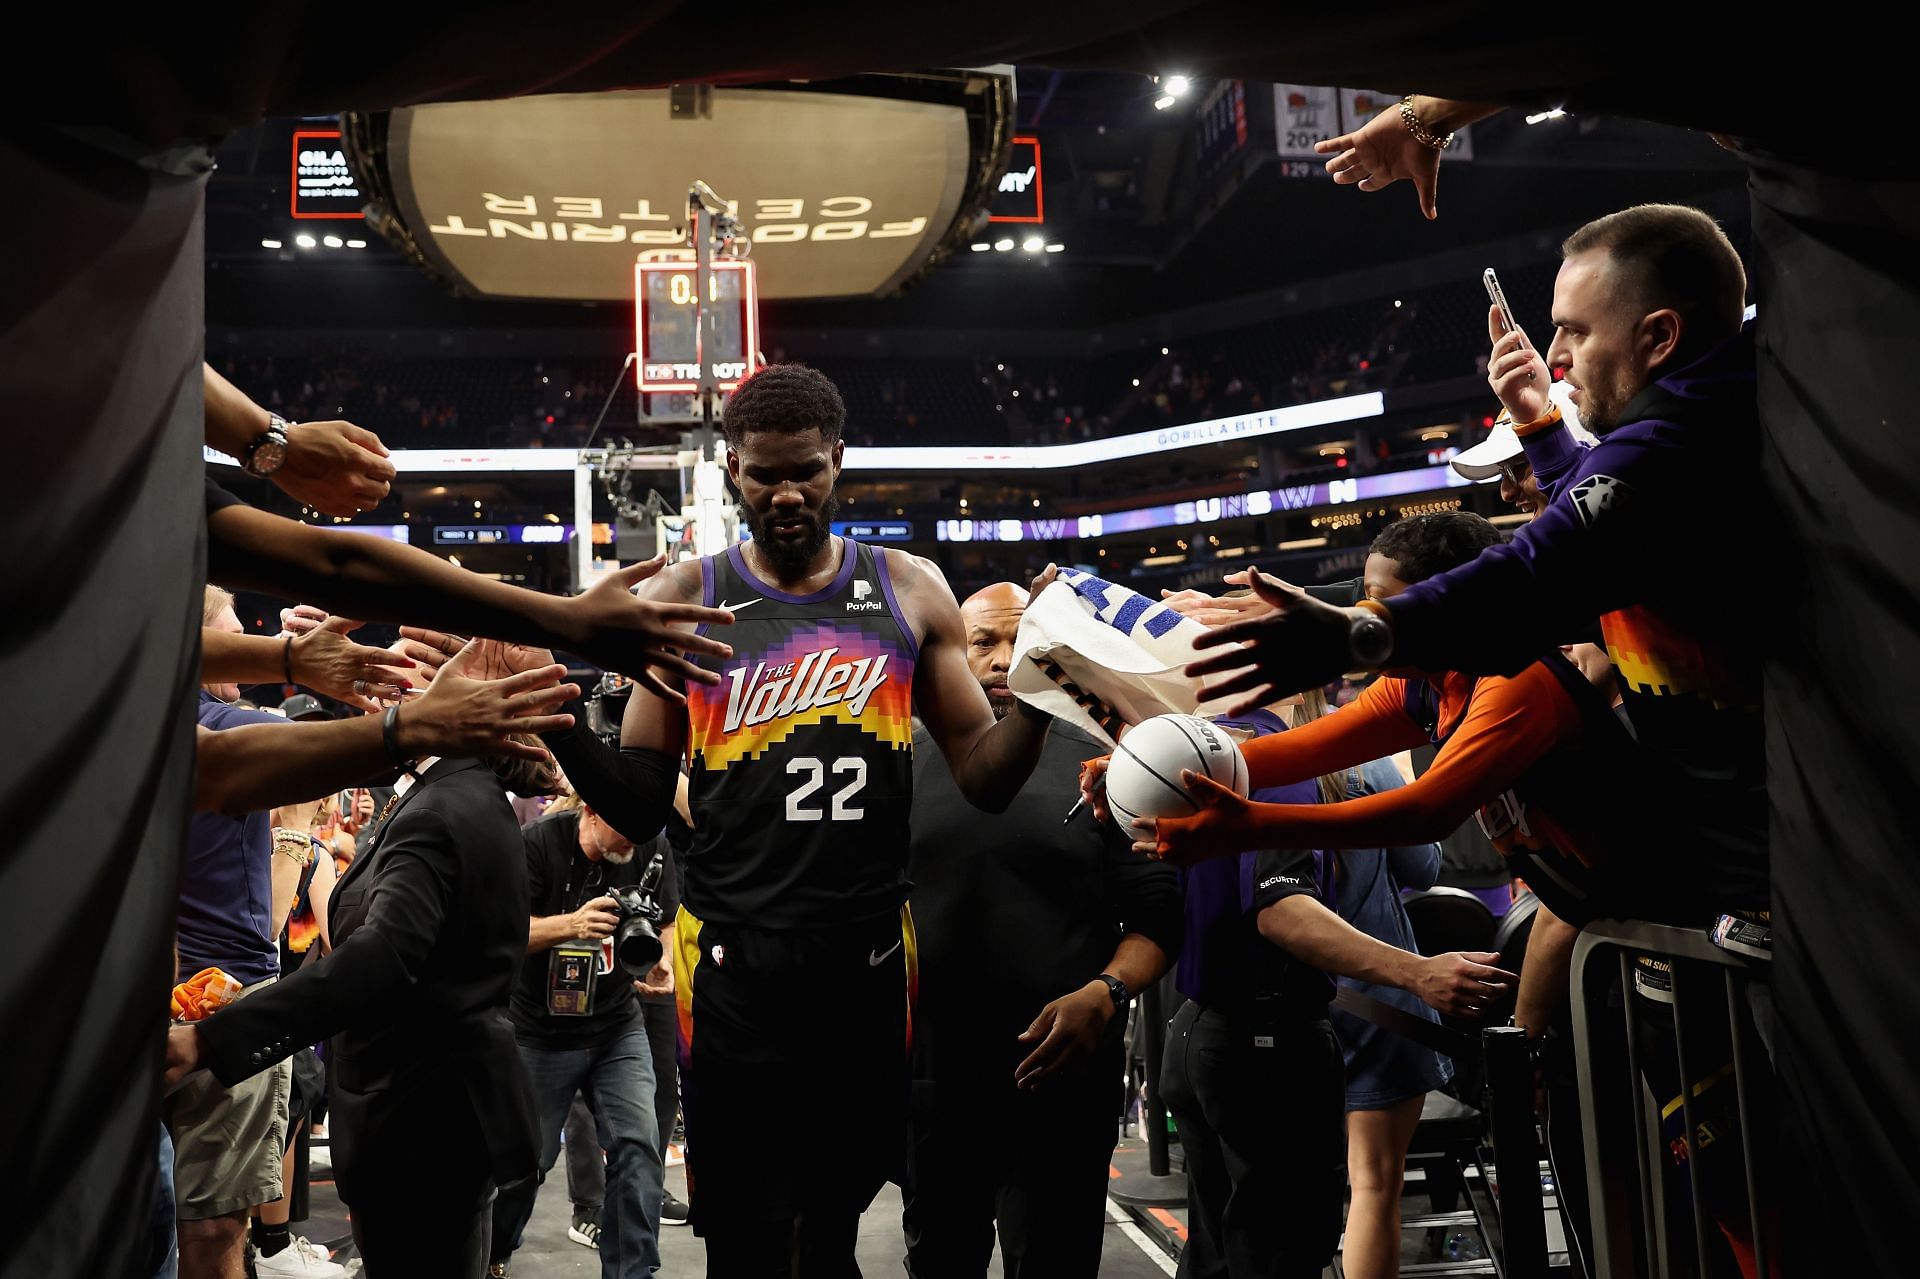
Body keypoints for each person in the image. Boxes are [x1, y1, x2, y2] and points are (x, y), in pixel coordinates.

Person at [518, 363, 1058, 1275]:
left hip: (867, 960)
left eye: (804, 469)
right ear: (733, 469)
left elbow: (985, 776)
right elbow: (644, 801)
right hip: (736, 965)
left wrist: (1042, 681)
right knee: (743, 1234)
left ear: (838, 459)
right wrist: (562, 727)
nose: (786, 492)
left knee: (833, 1223)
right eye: (764, 473)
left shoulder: (908, 588)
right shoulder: (685, 597)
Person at [1184, 205, 1766, 922]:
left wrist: (1359, 632)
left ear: (1659, 337)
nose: (1555, 354)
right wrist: (1541, 425)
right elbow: (1602, 533)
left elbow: (1533, 572)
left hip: (1756, 885)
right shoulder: (1687, 431)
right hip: (1735, 872)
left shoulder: (1672, 442)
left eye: (1575, 330)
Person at [165, 664, 562, 1277]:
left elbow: (377, 961)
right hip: (442, 1112)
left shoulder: (442, 807)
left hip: (418, 1121)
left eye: (413, 680)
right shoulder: (458, 793)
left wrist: (213, 1038)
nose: (390, 692)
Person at [1134, 709, 1506, 1279]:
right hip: (1282, 1027)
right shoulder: (1286, 763)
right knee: (1307, 1226)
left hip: (1215, 1028)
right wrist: (1417, 973)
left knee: (1225, 1245)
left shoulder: (1193, 753)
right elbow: (1287, 911)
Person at [901, 581, 1182, 1279]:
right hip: (937, 1081)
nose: (1001, 659)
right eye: (983, 642)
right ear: (952, 655)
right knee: (940, 1260)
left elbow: (1158, 916)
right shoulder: (899, 760)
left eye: (1018, 640)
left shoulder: (1110, 762)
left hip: (1064, 1079)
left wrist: (1106, 990)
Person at [167, 587, 303, 1279]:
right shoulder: (234, 732)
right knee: (216, 1228)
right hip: (222, 1002)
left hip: (107, 1001)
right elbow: (273, 920)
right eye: (233, 641)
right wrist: (302, 831)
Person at [486, 799, 678, 1279]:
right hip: (539, 1033)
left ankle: (632, 1273)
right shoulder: (537, 844)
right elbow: (501, 932)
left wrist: (663, 961)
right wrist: (570, 925)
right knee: (523, 1165)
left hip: (617, 1025)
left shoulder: (651, 846)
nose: (633, 839)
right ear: (591, 811)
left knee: (638, 1147)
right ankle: (492, 1257)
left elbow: (668, 918)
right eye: (623, 826)